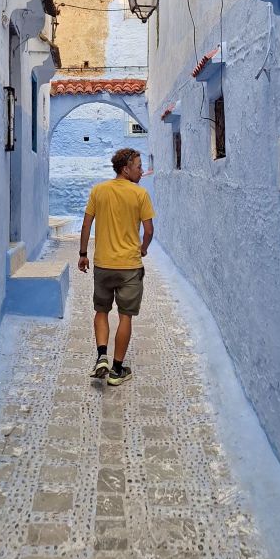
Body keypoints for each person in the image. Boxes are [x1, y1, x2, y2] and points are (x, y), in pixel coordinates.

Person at [78, 148, 155, 386]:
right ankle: (117, 370)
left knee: (101, 311)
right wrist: (143, 249)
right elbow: (149, 231)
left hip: (103, 265)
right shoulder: (140, 194)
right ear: (126, 169)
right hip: (129, 267)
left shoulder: (98, 191)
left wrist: (83, 254)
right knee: (125, 317)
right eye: (138, 166)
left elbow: (86, 225)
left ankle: (101, 356)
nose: (141, 171)